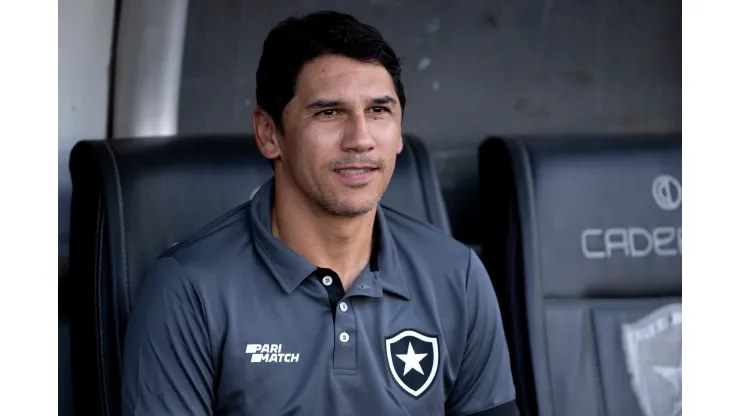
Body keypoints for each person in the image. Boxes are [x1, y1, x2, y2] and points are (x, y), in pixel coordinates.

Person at [121, 10, 518, 416]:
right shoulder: (187, 288)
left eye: (379, 111)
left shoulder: (458, 275)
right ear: (269, 134)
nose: (360, 139)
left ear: (399, 132)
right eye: (329, 112)